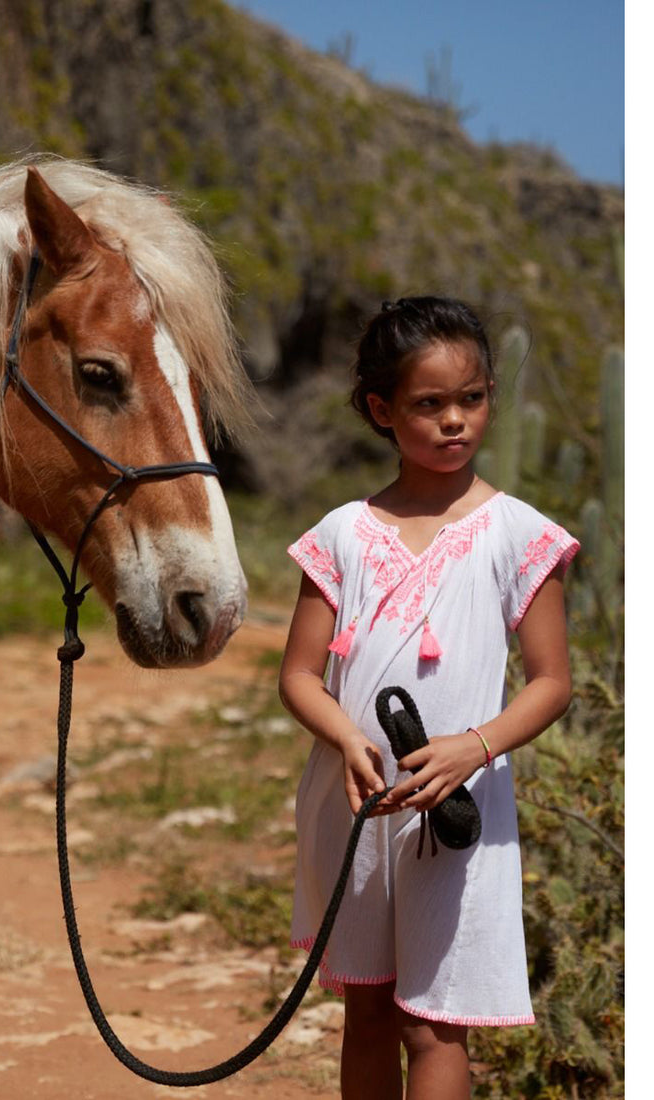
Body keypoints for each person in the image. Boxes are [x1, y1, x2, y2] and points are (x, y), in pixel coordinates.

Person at [278, 297, 578, 1100]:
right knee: (368, 1007)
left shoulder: (519, 534)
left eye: (472, 399)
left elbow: (552, 681)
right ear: (382, 410)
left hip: (458, 815)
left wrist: (471, 747)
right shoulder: (343, 533)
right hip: (357, 808)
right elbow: (300, 675)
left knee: (435, 1021)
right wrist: (345, 739)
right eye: (429, 404)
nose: (456, 421)